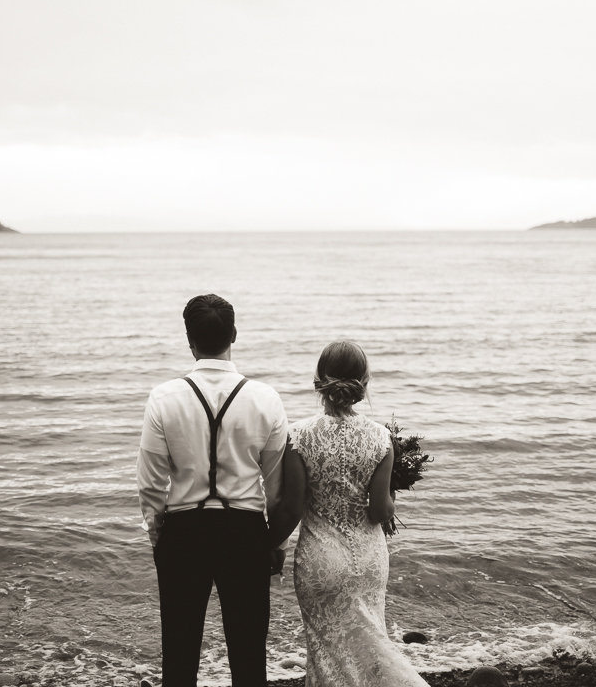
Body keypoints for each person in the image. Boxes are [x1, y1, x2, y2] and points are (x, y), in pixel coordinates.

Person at [137, 294, 289, 687]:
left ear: (189, 339)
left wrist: (158, 536)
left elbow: (151, 483)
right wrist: (272, 541)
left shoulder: (164, 398)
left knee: (180, 653)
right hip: (245, 532)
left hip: (184, 533)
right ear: (233, 334)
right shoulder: (265, 399)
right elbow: (276, 488)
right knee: (249, 653)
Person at [269, 341, 427, 687]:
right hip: (368, 561)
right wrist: (392, 496)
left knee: (327, 652)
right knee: (370, 647)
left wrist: (268, 545)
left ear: (318, 382)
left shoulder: (297, 435)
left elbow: (292, 508)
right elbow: (379, 512)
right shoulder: (381, 438)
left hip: (320, 560)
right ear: (364, 384)